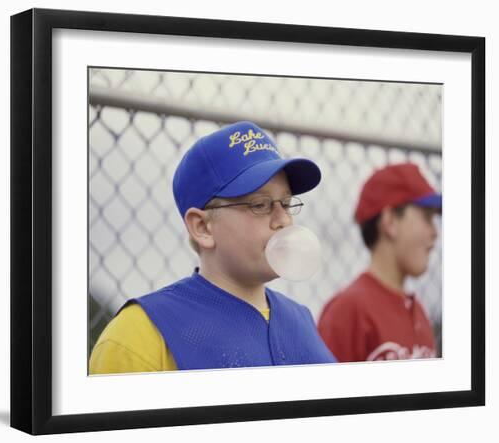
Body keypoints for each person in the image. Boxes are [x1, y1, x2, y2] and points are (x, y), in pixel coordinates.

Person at [89, 121, 336, 373]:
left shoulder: (301, 320)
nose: (283, 219)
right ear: (203, 228)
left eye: (286, 202)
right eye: (260, 205)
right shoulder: (140, 334)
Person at [317, 162, 441, 362]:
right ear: (390, 221)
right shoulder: (348, 311)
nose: (435, 232)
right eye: (427, 217)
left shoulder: (418, 310)